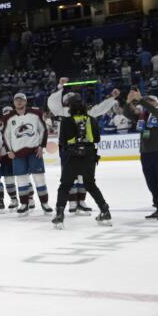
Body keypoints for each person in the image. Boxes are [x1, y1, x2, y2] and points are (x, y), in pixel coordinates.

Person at [47, 79, 120, 213]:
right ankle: (74, 202)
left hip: (71, 149)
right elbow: (51, 102)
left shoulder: (83, 113)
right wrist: (60, 87)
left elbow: (99, 109)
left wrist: (111, 98)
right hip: (73, 149)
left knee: (73, 179)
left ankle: (79, 201)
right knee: (76, 178)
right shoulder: (61, 111)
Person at [51, 94, 112, 228]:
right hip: (89, 157)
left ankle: (60, 215)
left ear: (70, 107)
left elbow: (62, 141)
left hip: (72, 156)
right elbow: (96, 139)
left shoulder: (66, 121)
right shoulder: (92, 120)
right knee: (90, 184)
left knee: (65, 186)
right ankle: (105, 211)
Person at [124, 89, 158, 220]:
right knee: (151, 183)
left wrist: (141, 100)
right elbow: (127, 113)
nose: (146, 103)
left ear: (156, 103)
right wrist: (128, 102)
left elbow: (156, 112)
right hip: (145, 154)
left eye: (149, 101)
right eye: (145, 101)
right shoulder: (142, 116)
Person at [2, 92, 51, 215]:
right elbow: (5, 135)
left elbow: (43, 130)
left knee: (39, 178)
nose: (19, 102)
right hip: (18, 153)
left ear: (25, 101)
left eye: (21, 100)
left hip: (34, 151)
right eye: (16, 100)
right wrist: (9, 150)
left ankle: (45, 204)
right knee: (21, 179)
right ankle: (24, 204)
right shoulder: (8, 117)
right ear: (13, 102)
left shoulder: (36, 113)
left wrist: (42, 146)